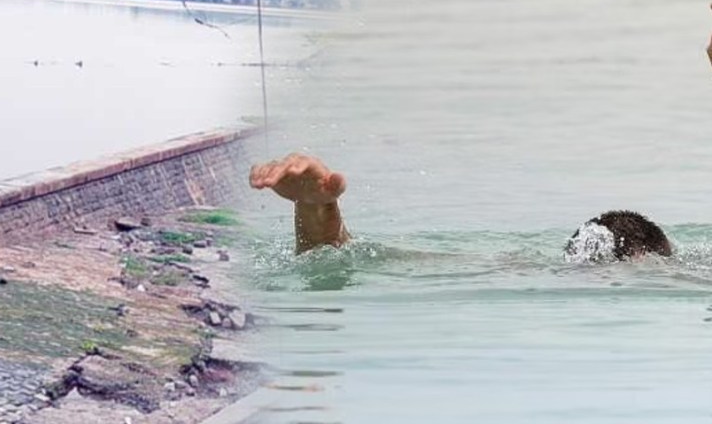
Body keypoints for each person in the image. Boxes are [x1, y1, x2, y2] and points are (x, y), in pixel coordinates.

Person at [249, 153, 672, 260]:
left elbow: (353, 257)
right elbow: (348, 255)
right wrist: (317, 211)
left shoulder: (517, 269)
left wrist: (318, 216)